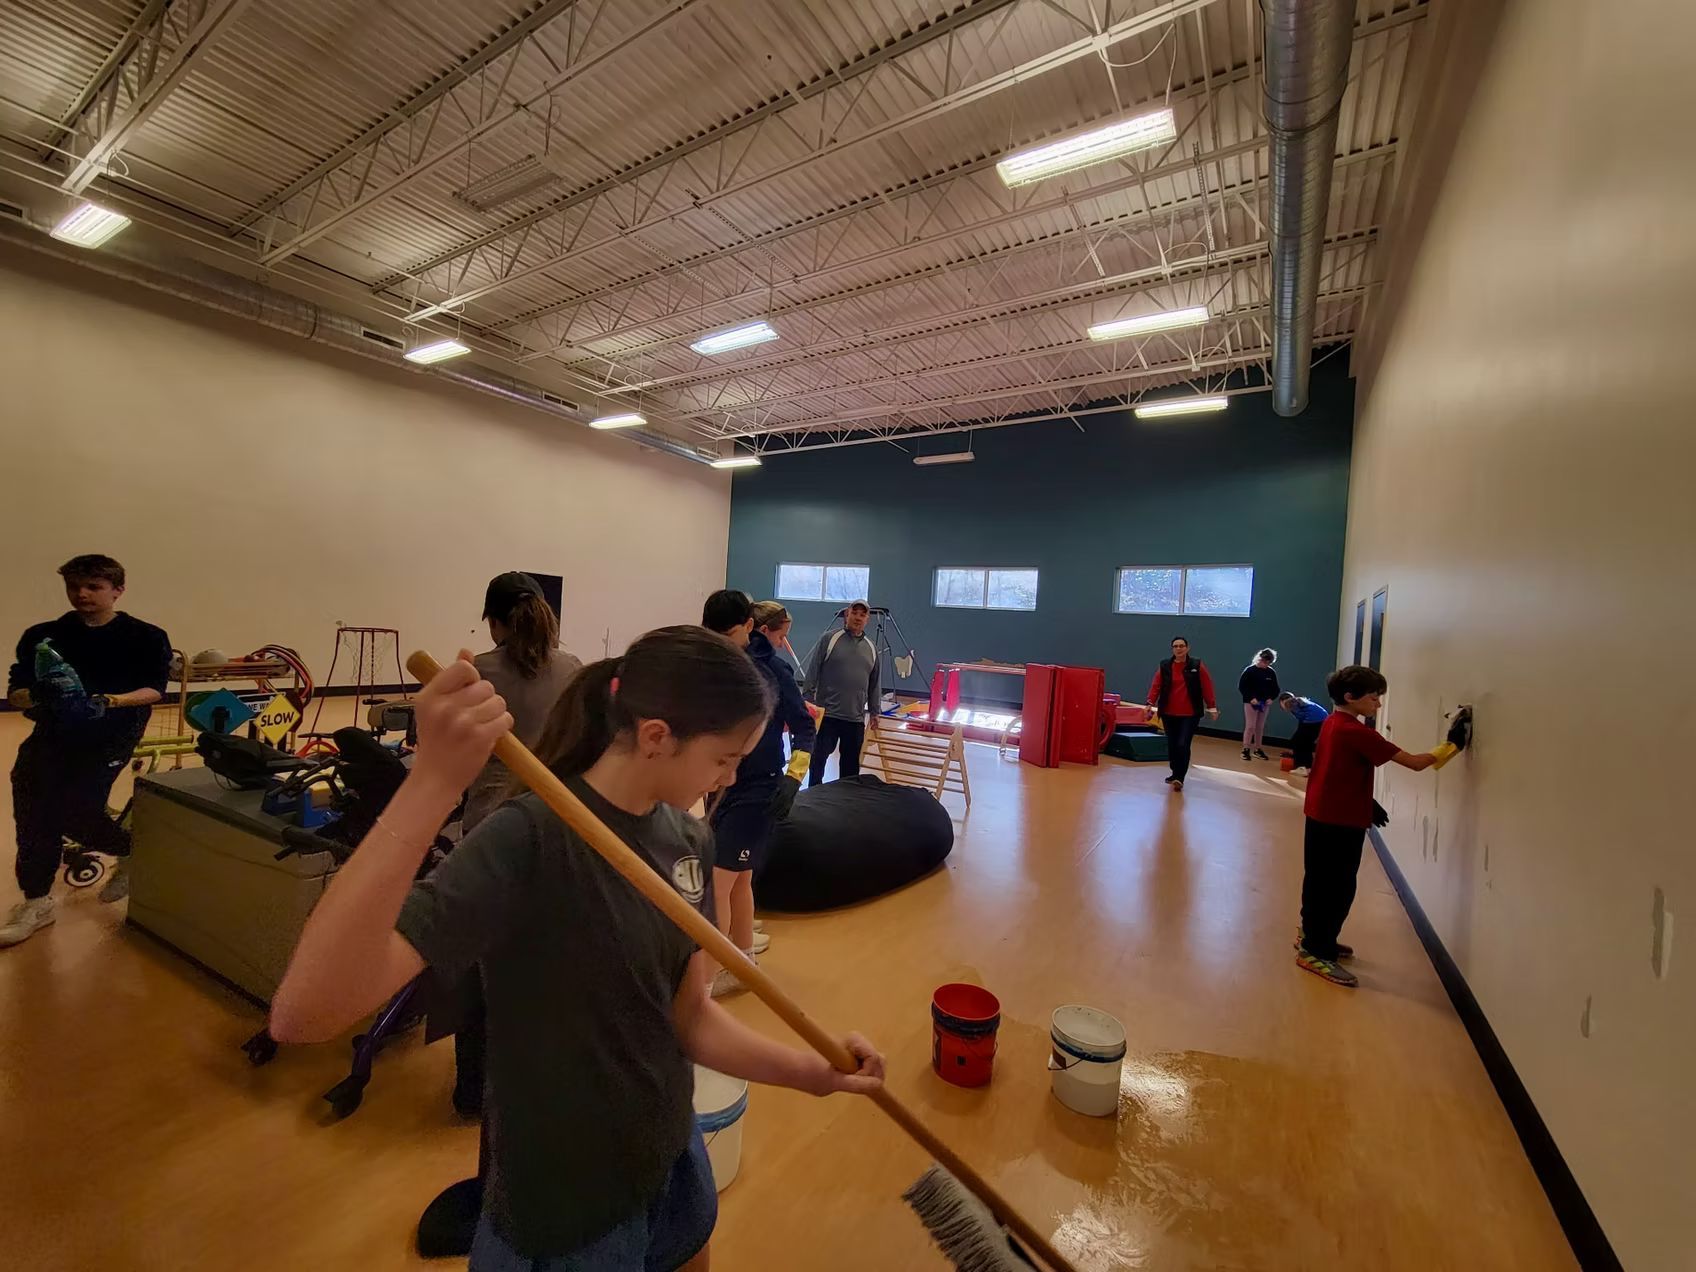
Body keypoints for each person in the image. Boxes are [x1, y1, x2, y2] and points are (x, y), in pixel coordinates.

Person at [269, 626, 884, 1270]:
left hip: (671, 1151)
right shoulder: (527, 841)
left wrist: (814, 1072)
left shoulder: (686, 839)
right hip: (564, 1206)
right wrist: (432, 783)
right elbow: (304, 1013)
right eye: (724, 759)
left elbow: (691, 1016)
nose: (731, 779)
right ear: (655, 737)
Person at [455, 572, 584, 1116]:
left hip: (491, 825)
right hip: (558, 824)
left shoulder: (478, 672)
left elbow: (456, 754)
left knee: (482, 962)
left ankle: (473, 1092)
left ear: (496, 620)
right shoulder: (574, 670)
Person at [3, 555, 171, 945]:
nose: (82, 594)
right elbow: (16, 693)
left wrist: (107, 701)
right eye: (74, 586)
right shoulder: (44, 636)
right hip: (53, 731)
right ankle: (37, 902)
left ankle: (133, 851)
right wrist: (38, 695)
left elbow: (153, 690)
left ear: (117, 590)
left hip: (111, 733)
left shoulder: (145, 636)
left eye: (93, 586)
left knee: (76, 811)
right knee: (32, 810)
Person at [1296, 665, 1466, 988]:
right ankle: (1315, 951)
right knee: (1339, 887)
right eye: (1373, 697)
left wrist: (1366, 802)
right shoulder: (1357, 731)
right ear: (1351, 697)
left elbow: (1334, 767)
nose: (1378, 703)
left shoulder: (1333, 723)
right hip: (1340, 821)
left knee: (1319, 879)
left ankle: (1312, 937)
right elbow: (1416, 764)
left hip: (1321, 813)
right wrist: (1452, 745)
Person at [701, 592, 815, 996]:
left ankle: (706, 977)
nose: (720, 642)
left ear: (749, 627)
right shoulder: (712, 665)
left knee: (717, 884)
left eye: (729, 634)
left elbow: (805, 729)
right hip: (718, 786)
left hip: (759, 789)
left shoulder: (775, 672)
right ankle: (743, 963)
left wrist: (793, 777)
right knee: (738, 881)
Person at [802, 600, 880, 787]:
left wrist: (875, 711)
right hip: (827, 715)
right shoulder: (829, 639)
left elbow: (875, 682)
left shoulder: (871, 648)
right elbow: (813, 670)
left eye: (863, 615)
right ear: (847, 614)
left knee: (850, 767)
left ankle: (846, 800)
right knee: (818, 759)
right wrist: (807, 699)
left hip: (855, 719)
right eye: (855, 613)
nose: (858, 618)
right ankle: (814, 794)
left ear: (867, 619)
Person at [1146, 636, 1218, 792]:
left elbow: (1207, 685)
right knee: (1172, 745)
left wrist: (1212, 706)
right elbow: (1156, 685)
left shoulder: (1197, 665)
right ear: (1172, 649)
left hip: (1190, 714)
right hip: (1169, 713)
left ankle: (1180, 776)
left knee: (1183, 744)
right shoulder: (1165, 665)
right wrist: (1150, 702)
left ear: (1187, 648)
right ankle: (1174, 771)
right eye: (1175, 646)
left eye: (1181, 646)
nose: (1179, 649)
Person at [1238, 648, 1280, 761]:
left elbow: (1275, 689)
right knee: (1250, 726)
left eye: (1268, 663)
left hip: (1264, 703)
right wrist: (1250, 698)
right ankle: (1246, 749)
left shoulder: (1271, 672)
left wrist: (1271, 698)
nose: (1265, 664)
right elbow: (1242, 686)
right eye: (1264, 661)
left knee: (1260, 727)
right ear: (1259, 658)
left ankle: (1258, 748)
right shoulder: (1250, 671)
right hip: (1250, 703)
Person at [751, 600, 805, 687]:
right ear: (764, 630)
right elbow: (795, 701)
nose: (781, 645)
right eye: (780, 637)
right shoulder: (779, 670)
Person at [1278, 691, 1329, 774]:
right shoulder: (1299, 701)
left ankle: (1301, 766)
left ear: (1282, 702)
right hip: (1322, 720)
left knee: (1300, 743)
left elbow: (1303, 726)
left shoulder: (1290, 704)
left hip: (1314, 720)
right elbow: (1302, 723)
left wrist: (1293, 743)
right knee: (1306, 743)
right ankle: (1308, 767)